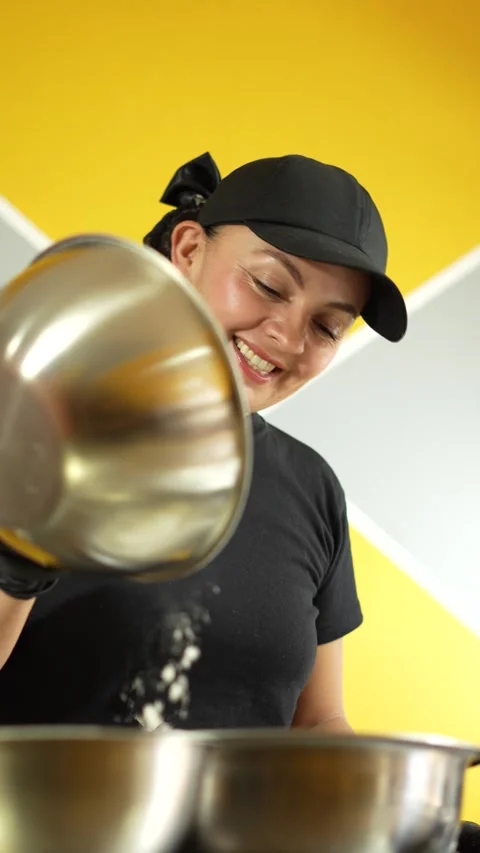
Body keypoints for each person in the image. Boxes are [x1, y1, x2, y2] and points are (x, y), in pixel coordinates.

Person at [0, 152, 407, 731]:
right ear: (188, 250)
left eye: (326, 327)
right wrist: (19, 551)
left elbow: (317, 726)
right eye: (269, 285)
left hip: (243, 826)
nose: (288, 338)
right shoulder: (28, 417)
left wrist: (397, 810)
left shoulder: (312, 487)